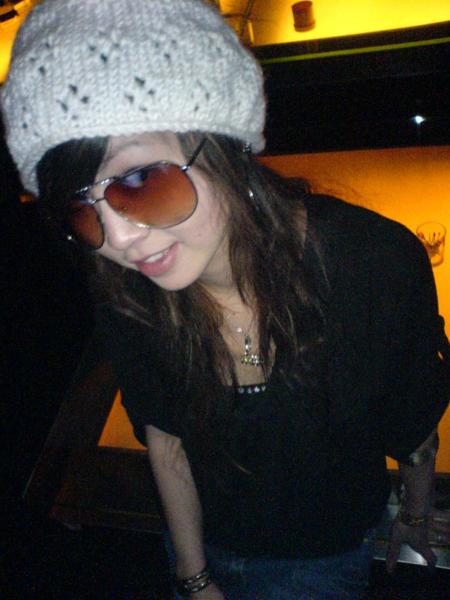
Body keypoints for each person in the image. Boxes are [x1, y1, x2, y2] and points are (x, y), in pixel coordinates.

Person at [1, 1, 449, 598]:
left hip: (323, 555)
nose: (117, 239)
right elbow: (166, 438)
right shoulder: (129, 292)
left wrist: (415, 516)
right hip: (201, 545)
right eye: (82, 211)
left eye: (139, 181)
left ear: (221, 143)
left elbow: (413, 422)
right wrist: (194, 577)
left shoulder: (372, 263)